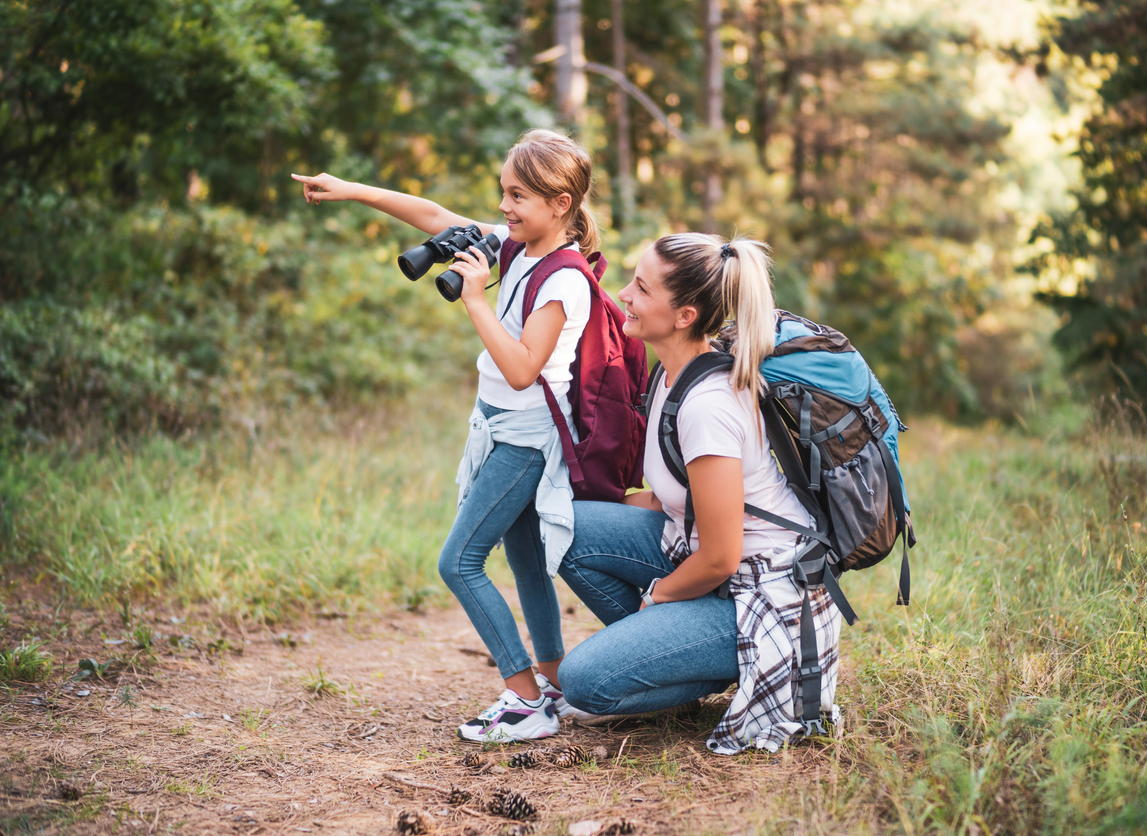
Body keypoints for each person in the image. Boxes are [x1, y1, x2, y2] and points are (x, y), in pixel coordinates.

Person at [292, 129, 598, 743]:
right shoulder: (520, 245)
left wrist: (476, 301)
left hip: (526, 440)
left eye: (519, 196)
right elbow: (431, 214)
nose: (505, 208)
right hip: (499, 429)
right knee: (525, 561)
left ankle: (522, 695)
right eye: (503, 194)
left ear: (560, 203)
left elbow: (521, 367)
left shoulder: (564, 278)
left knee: (458, 562)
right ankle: (556, 683)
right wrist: (350, 191)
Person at [555, 233, 843, 754]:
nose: (624, 294)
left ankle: (678, 669)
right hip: (712, 567)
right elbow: (671, 503)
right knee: (563, 525)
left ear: (684, 315)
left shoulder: (708, 405)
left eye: (641, 288)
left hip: (762, 596)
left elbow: (720, 556)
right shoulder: (669, 377)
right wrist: (559, 498)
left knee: (583, 682)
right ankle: (662, 659)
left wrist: (656, 599)